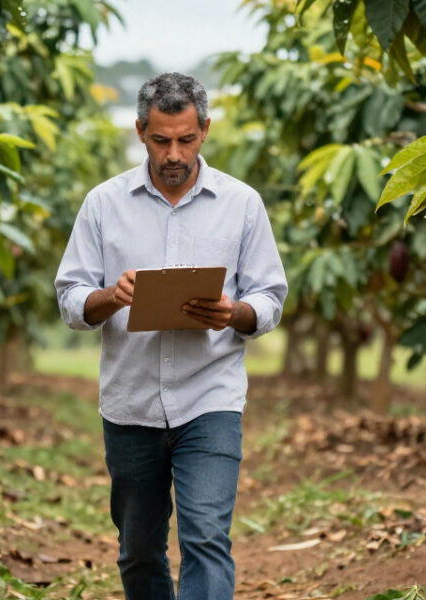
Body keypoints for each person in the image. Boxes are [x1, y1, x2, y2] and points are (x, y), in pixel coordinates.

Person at [53, 72, 288, 600]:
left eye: (186, 138)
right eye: (161, 140)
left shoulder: (242, 204)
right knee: (138, 550)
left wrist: (234, 313)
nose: (174, 153)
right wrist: (112, 296)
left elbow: (270, 298)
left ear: (205, 130)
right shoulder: (103, 204)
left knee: (206, 537)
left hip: (211, 399)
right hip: (131, 405)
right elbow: (70, 297)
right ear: (140, 132)